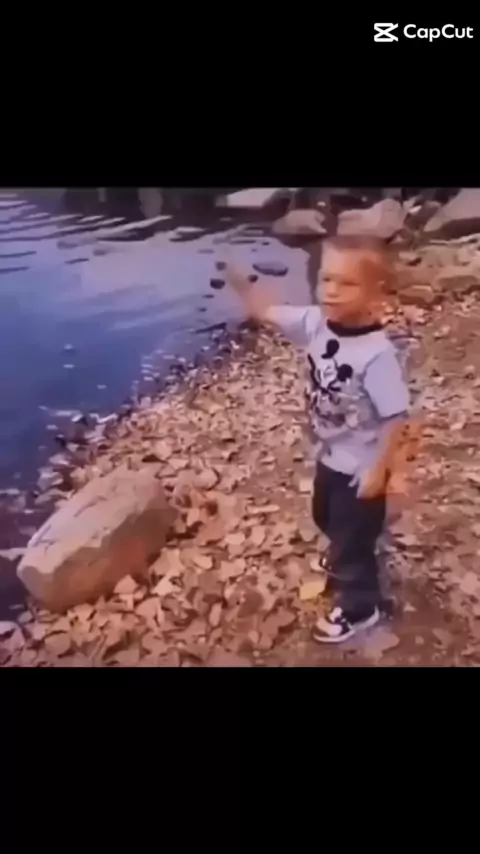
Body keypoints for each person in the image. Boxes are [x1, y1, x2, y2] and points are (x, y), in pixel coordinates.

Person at [223, 234, 413, 643]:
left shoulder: (376, 355)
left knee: (352, 539)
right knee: (323, 515)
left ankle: (361, 607)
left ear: (375, 293)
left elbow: (396, 417)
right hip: (329, 455)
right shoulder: (315, 324)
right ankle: (349, 547)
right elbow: (265, 312)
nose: (331, 290)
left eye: (347, 283)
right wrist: (244, 284)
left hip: (361, 467)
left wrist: (382, 471)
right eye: (326, 279)